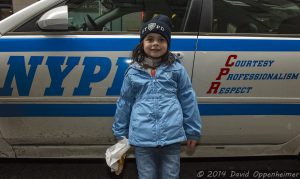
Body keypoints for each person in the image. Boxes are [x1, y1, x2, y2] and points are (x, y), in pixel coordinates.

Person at [112, 14, 201, 179]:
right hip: (142, 137)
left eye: (161, 39)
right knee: (146, 175)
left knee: (171, 174)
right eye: (150, 39)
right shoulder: (133, 72)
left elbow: (188, 99)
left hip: (172, 135)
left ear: (168, 44)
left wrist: (193, 131)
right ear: (142, 44)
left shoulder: (176, 69)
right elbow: (125, 102)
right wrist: (120, 132)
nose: (155, 43)